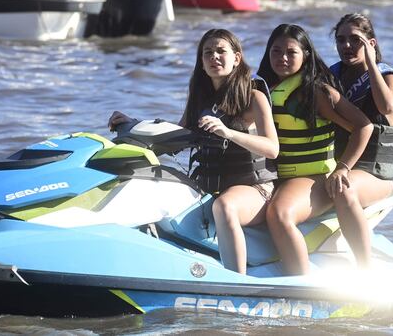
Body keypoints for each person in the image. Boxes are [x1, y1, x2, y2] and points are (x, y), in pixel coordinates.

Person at [108, 29, 279, 274]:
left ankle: (237, 281)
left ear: (237, 58)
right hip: (210, 185)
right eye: (207, 52)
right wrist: (132, 125)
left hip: (255, 189)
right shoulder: (200, 97)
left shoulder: (253, 96)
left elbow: (272, 148)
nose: (214, 57)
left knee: (225, 207)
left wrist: (228, 133)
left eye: (221, 51)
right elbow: (177, 137)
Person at [257, 24, 373, 275]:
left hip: (312, 177)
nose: (282, 58)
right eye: (276, 52)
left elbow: (364, 126)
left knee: (279, 214)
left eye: (291, 52)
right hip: (274, 177)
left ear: (306, 55)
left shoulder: (316, 91)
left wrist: (343, 168)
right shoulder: (263, 89)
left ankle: (301, 282)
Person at [328, 13, 393, 267]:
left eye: (356, 40)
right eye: (341, 40)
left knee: (344, 188)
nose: (347, 46)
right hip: (338, 165)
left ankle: (365, 268)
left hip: (374, 172)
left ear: (371, 43)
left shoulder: (389, 78)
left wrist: (372, 65)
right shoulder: (334, 75)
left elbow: (387, 107)